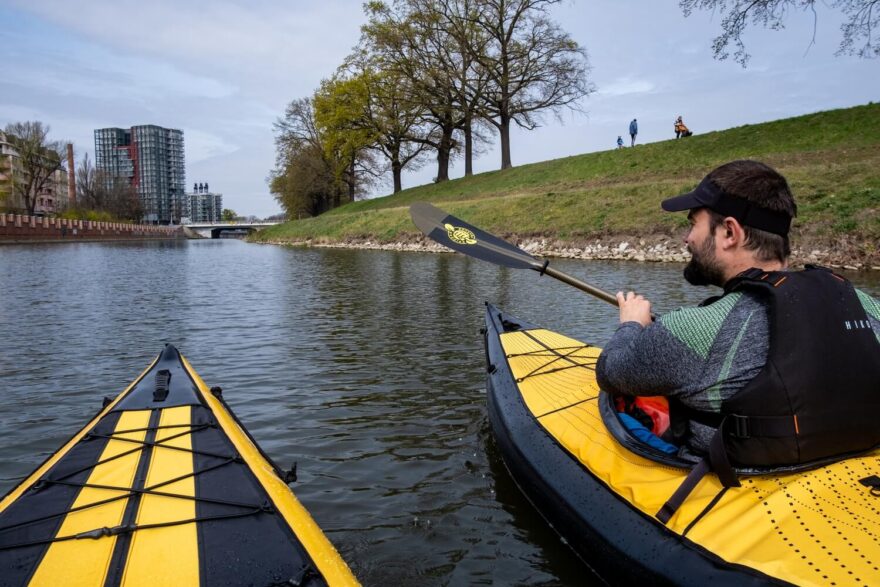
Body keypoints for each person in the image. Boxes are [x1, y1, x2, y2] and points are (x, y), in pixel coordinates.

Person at [596, 160, 880, 483]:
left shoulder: (690, 330)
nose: (686, 239)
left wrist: (631, 324)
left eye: (693, 224)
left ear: (729, 232)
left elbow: (610, 371)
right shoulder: (867, 306)